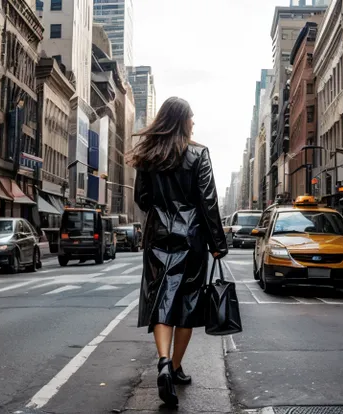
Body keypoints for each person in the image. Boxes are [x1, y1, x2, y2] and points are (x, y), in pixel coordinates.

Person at [128, 97, 228, 407]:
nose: (194, 122)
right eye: (191, 118)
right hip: (192, 237)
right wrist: (218, 244)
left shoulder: (147, 155)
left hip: (158, 237)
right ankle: (174, 366)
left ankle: (162, 363)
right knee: (187, 303)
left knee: (161, 299)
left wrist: (162, 209)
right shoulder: (199, 154)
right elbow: (208, 201)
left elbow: (142, 199)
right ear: (182, 120)